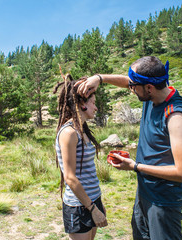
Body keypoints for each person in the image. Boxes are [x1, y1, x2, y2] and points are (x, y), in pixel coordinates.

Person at [77, 56, 182, 240]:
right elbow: (128, 82)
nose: (130, 89)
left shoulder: (175, 116)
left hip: (163, 201)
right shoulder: (153, 94)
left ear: (148, 87)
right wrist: (100, 78)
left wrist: (135, 166)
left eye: (134, 86)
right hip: (145, 193)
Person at [54, 73, 108, 240]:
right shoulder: (69, 133)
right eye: (93, 103)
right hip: (79, 204)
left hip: (92, 199)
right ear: (82, 104)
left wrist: (97, 203)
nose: (96, 107)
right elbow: (70, 177)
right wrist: (92, 209)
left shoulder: (82, 130)